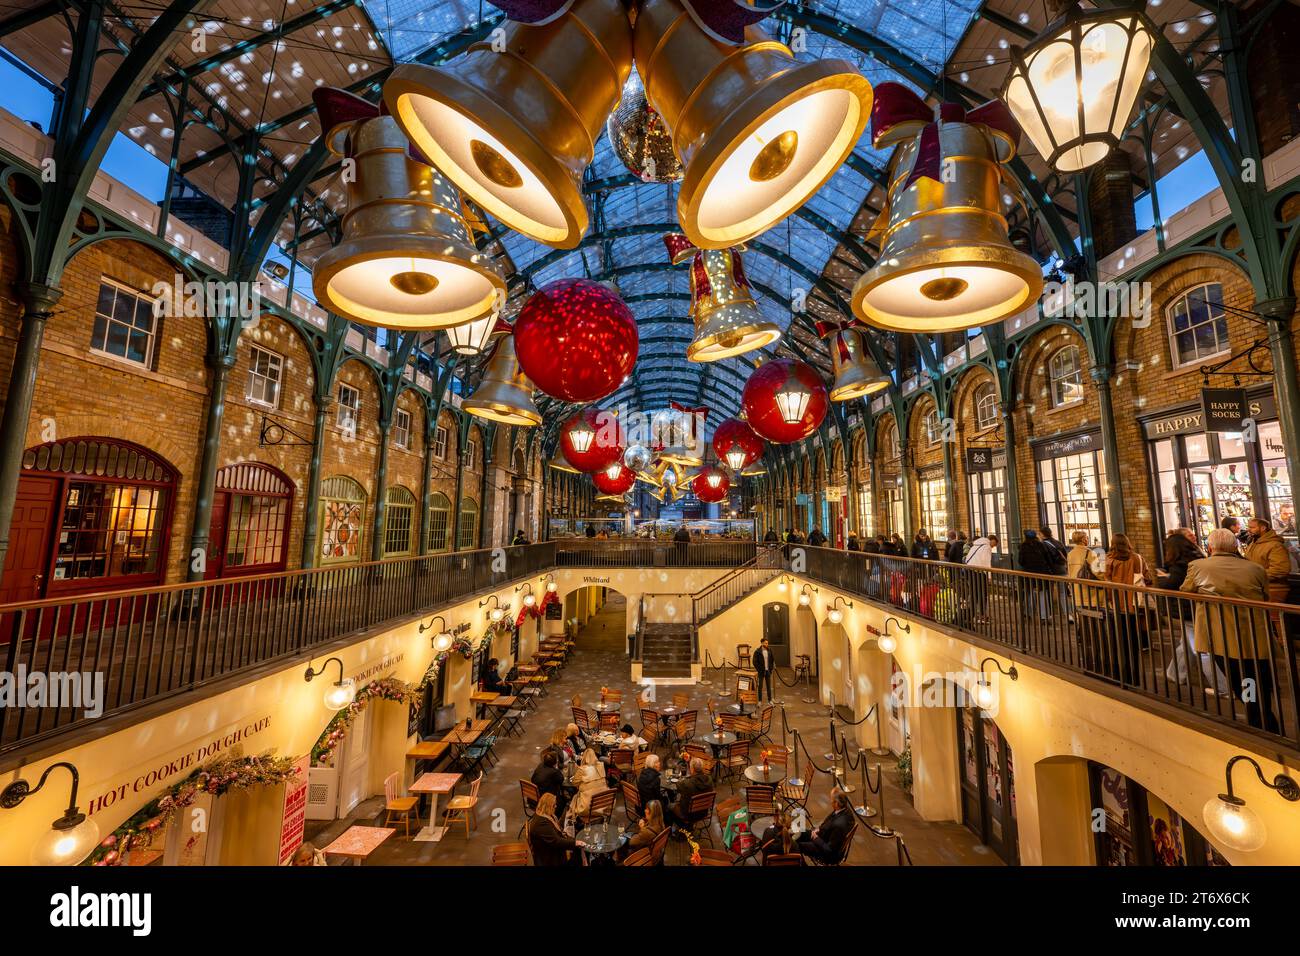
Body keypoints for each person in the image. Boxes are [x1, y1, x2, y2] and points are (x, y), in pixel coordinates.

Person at [1182, 528, 1279, 734]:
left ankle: (1261, 720)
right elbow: (1265, 596)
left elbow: (1186, 590)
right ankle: (1262, 716)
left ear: (1210, 547)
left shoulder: (1198, 567)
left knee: (1240, 678)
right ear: (1235, 546)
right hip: (1254, 633)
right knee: (1255, 676)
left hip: (1220, 635)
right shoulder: (1255, 569)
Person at [1103, 533, 1153, 684]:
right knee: (1133, 641)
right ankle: (1134, 677)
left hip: (1117, 606)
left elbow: (1106, 583)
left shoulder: (1108, 560)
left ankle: (1120, 676)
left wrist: (1110, 600)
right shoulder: (1137, 558)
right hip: (1134, 604)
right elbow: (1148, 578)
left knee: (1118, 640)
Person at [796, 789, 856, 865]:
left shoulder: (838, 826)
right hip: (825, 837)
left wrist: (816, 838)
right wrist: (819, 829)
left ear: (836, 803)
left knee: (797, 846)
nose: (830, 801)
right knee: (800, 833)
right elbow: (829, 823)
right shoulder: (846, 811)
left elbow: (829, 850)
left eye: (831, 800)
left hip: (826, 854)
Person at [527, 792, 584, 865]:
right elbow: (557, 841)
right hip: (549, 858)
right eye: (554, 805)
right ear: (548, 807)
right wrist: (575, 843)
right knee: (578, 850)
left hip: (549, 848)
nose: (556, 806)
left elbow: (557, 831)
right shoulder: (541, 824)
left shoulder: (543, 815)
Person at [1244, 517, 1291, 605]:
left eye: (1252, 527)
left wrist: (1255, 576)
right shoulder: (1253, 543)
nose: (1249, 530)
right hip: (1257, 588)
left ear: (1263, 528)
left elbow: (1281, 570)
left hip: (1273, 589)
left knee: (1271, 618)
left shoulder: (1275, 545)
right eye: (1248, 527)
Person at [667, 757, 715, 829]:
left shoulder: (688, 784)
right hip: (703, 812)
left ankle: (680, 829)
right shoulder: (709, 780)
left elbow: (678, 785)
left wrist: (684, 779)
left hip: (689, 815)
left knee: (669, 806)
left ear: (692, 769)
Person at [1017, 530, 1053, 622]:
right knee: (1042, 593)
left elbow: (1021, 561)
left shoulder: (1023, 547)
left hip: (1028, 573)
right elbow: (1048, 559)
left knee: (1029, 593)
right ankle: (1044, 616)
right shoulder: (1041, 545)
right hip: (1042, 573)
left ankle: (1027, 613)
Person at [567, 748, 609, 818]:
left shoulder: (582, 769)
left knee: (575, 796)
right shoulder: (601, 766)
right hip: (604, 805)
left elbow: (574, 783)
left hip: (587, 807)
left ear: (584, 757)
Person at [964, 533, 996, 622]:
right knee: (983, 594)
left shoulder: (975, 545)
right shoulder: (986, 547)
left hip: (969, 570)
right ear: (992, 541)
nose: (993, 547)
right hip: (979, 572)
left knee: (974, 594)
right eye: (994, 544)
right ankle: (982, 616)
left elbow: (967, 559)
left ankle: (971, 616)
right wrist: (989, 576)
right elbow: (987, 562)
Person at [531, 750, 567, 815]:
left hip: (533, 798)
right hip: (546, 800)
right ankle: (557, 818)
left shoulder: (540, 766)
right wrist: (556, 768)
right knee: (564, 801)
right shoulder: (554, 772)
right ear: (554, 762)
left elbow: (532, 779)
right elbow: (561, 780)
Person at [752, 637, 775, 702]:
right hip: (761, 672)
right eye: (766, 643)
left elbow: (772, 660)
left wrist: (771, 668)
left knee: (769, 686)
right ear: (762, 643)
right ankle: (760, 701)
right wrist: (759, 669)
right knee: (760, 687)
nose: (767, 644)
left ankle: (770, 700)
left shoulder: (769, 650)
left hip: (768, 671)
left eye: (767, 643)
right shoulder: (757, 651)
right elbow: (754, 662)